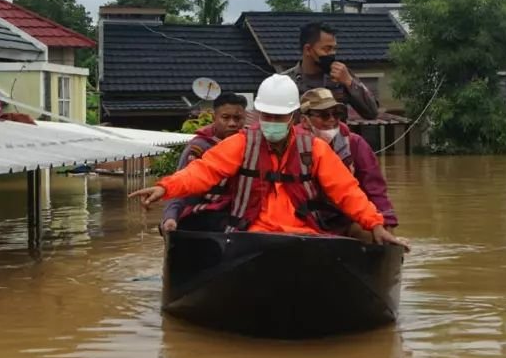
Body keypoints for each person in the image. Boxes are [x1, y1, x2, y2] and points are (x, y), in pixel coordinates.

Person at [130, 74, 410, 249]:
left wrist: (375, 224)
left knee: (365, 237)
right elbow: (202, 171)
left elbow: (347, 191)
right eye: (267, 116)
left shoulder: (314, 149)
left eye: (279, 117)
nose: (272, 122)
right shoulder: (241, 143)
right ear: (259, 113)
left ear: (293, 116)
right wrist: (165, 187)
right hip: (251, 234)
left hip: (304, 233)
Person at [299, 88, 398, 236]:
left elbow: (375, 189)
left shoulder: (355, 144)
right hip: (304, 219)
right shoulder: (293, 145)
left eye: (336, 114)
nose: (332, 119)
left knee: (371, 235)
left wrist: (387, 224)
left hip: (345, 219)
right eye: (324, 115)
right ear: (304, 121)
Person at [160, 92, 248, 233]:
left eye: (237, 118)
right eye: (225, 118)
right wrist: (170, 217)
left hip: (240, 213)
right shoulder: (199, 147)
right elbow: (182, 184)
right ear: (214, 118)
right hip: (204, 214)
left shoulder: (251, 145)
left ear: (245, 118)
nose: (232, 124)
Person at [284, 22, 379, 119]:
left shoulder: (341, 76)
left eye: (334, 49)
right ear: (308, 49)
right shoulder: (286, 82)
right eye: (327, 49)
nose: (332, 53)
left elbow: (372, 113)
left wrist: (349, 82)